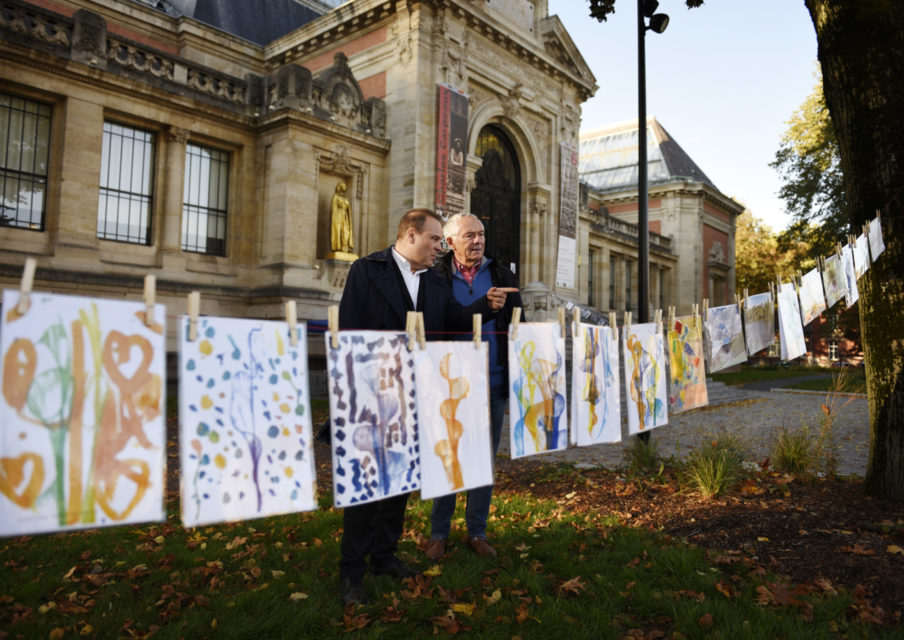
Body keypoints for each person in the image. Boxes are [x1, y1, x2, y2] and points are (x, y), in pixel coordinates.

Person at [337, 208, 517, 606]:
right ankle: (352, 572)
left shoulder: (435, 285)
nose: (441, 248)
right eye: (436, 240)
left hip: (419, 399)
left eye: (441, 241)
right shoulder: (368, 271)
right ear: (412, 235)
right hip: (373, 397)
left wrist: (487, 306)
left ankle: (384, 556)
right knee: (367, 490)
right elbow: (350, 330)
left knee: (399, 484)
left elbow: (456, 321)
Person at [424, 212, 523, 561]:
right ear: (450, 242)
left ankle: (477, 532)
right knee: (448, 455)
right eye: (469, 235)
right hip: (448, 382)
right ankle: (439, 533)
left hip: (493, 381)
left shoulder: (501, 273)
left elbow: (517, 326)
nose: (478, 241)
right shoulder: (434, 277)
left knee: (483, 460)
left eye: (481, 234)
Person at [330, 181, 354, 255]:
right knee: (338, 231)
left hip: (345, 218)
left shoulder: (346, 199)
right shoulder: (335, 197)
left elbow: (348, 211)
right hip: (338, 217)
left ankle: (345, 248)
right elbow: (333, 209)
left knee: (345, 233)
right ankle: (338, 247)